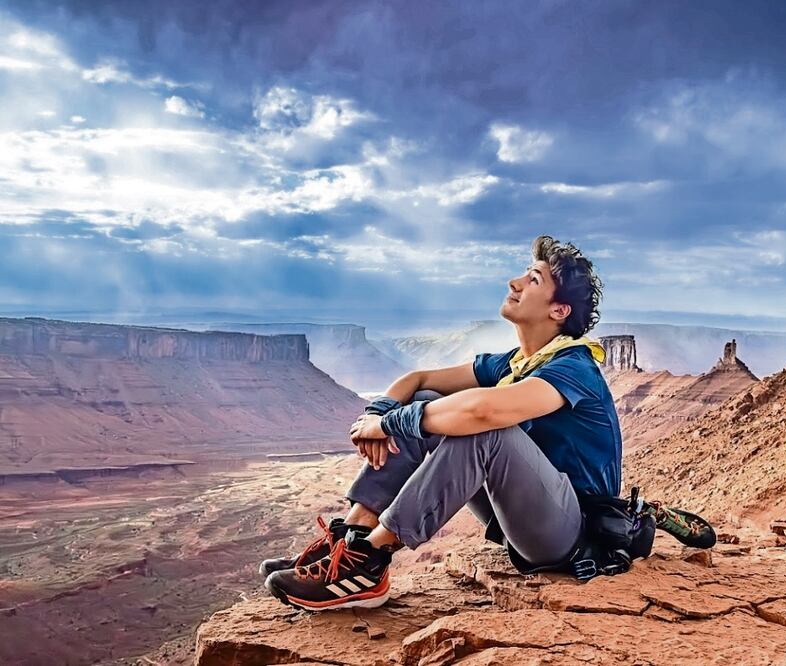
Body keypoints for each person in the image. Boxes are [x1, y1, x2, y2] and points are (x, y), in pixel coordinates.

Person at [261, 235, 622, 611]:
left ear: (559, 311)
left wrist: (390, 426)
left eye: (532, 279)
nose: (514, 283)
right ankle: (353, 538)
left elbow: (482, 413)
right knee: (426, 404)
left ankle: (371, 559)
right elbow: (418, 381)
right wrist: (377, 413)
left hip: (571, 533)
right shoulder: (516, 362)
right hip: (523, 518)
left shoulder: (574, 368)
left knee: (486, 431)